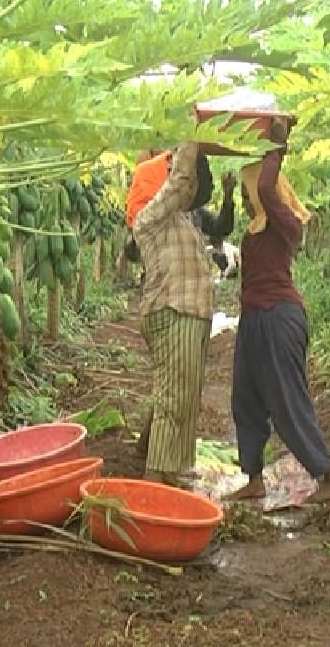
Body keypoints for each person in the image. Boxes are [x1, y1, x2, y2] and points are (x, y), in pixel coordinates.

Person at [224, 117, 330, 505]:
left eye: (248, 194)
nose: (248, 200)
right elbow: (227, 218)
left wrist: (276, 145)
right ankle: (254, 477)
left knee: (286, 399)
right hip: (255, 317)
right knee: (246, 397)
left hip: (280, 317)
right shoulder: (255, 226)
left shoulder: (285, 224)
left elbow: (264, 184)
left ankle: (329, 475)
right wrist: (228, 193)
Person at [130, 141, 221, 486]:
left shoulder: (183, 220)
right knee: (172, 398)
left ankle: (174, 468)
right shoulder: (150, 217)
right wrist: (191, 139)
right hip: (171, 309)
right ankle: (155, 478)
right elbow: (181, 181)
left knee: (187, 395)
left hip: (192, 312)